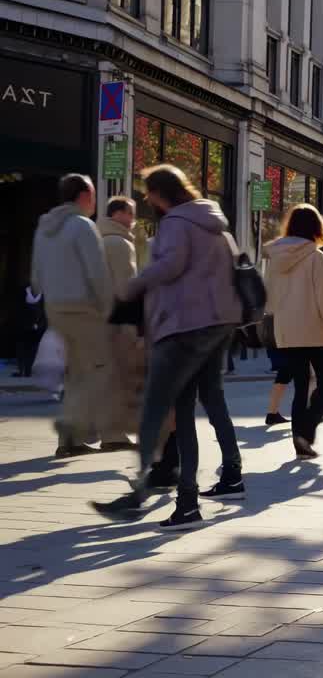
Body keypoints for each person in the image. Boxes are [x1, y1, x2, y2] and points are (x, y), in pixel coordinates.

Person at [91, 165, 245, 528]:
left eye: (149, 191)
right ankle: (210, 487)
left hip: (186, 327)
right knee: (202, 401)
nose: (146, 198)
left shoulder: (177, 222)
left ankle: (146, 496)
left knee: (160, 409)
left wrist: (133, 286)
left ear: (162, 192)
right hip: (217, 325)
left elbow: (171, 266)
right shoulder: (214, 222)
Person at [30, 174, 119, 458]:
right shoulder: (83, 225)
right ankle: (80, 436)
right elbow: (97, 273)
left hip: (55, 307)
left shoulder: (44, 226)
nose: (94, 201)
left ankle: (71, 440)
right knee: (98, 369)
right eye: (92, 195)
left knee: (77, 372)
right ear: (83, 196)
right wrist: (107, 308)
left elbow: (35, 276)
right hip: (82, 307)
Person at [263, 204, 323, 460]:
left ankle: (300, 443)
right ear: (317, 227)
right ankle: (307, 429)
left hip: (287, 332)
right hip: (316, 331)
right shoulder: (315, 257)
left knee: (300, 386)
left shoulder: (275, 257)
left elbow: (269, 300)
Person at [97, 196, 144, 450]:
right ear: (118, 214)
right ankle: (113, 435)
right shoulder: (119, 244)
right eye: (131, 214)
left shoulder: (95, 238)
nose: (133, 220)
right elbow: (127, 289)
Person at [12, 286, 45, 378]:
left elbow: (44, 311)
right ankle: (21, 370)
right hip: (23, 325)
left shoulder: (43, 294)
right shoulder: (23, 292)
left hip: (37, 327)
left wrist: (39, 324)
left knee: (33, 349)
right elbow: (17, 309)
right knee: (21, 348)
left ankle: (28, 370)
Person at [264, 347, 292, 425]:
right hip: (292, 346)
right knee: (305, 378)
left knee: (282, 376)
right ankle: (304, 414)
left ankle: (272, 414)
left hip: (279, 345)